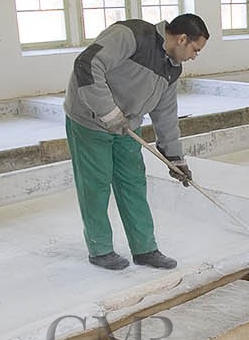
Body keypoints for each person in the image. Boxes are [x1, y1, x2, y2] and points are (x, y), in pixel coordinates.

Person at [64, 13, 209, 270]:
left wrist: (175, 158)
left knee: (133, 184)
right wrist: (107, 112)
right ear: (182, 39)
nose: (194, 57)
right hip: (90, 119)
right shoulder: (131, 36)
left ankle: (144, 249)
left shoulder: (172, 68)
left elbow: (165, 115)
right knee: (95, 185)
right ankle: (100, 249)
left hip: (127, 126)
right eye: (195, 50)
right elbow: (86, 64)